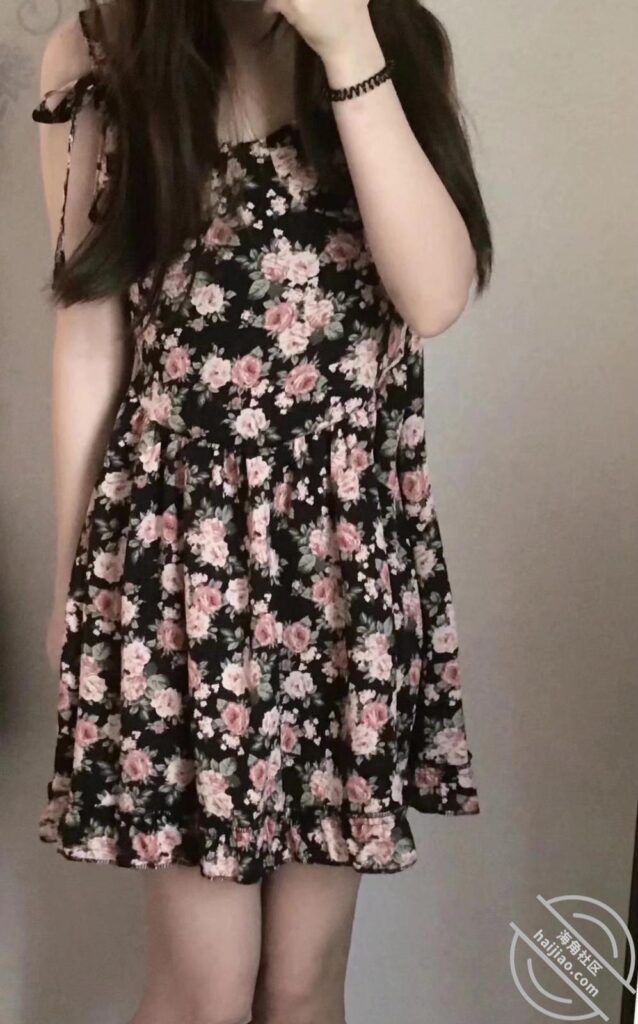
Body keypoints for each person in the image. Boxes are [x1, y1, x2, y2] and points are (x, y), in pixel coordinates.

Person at [32, 2, 492, 1022]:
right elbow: (89, 334)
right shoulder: (100, 50)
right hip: (176, 571)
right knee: (202, 992)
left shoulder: (392, 40)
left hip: (342, 574)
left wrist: (347, 45)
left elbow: (435, 295)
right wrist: (77, 588)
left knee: (301, 987)